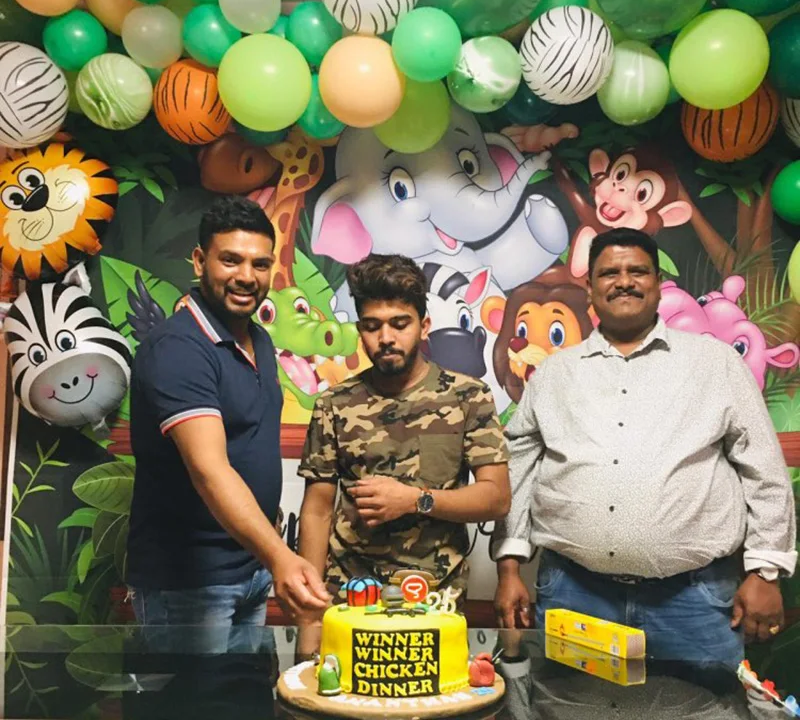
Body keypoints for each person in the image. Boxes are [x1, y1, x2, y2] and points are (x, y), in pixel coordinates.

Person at [493, 227, 796, 665]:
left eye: (637, 271)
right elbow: (518, 470)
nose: (624, 281)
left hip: (695, 602)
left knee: (706, 703)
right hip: (576, 596)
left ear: (658, 282)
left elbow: (763, 469)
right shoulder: (555, 375)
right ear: (590, 288)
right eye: (609, 273)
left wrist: (765, 572)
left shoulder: (716, 363)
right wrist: (508, 567)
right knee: (571, 701)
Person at [127, 195, 329, 647]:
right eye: (231, 260)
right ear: (201, 261)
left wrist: (267, 560)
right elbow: (210, 470)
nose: (246, 276)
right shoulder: (179, 347)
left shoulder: (259, 339)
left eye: (260, 264)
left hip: (250, 569)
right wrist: (281, 557)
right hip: (190, 583)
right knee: (196, 692)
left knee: (242, 690)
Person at [297, 253, 511, 604]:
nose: (386, 337)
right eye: (372, 326)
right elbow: (317, 511)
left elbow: (496, 498)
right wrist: (310, 601)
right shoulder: (333, 404)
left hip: (436, 595)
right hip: (350, 593)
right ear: (360, 331)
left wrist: (415, 500)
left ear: (424, 326)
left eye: (400, 324)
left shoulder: (468, 396)